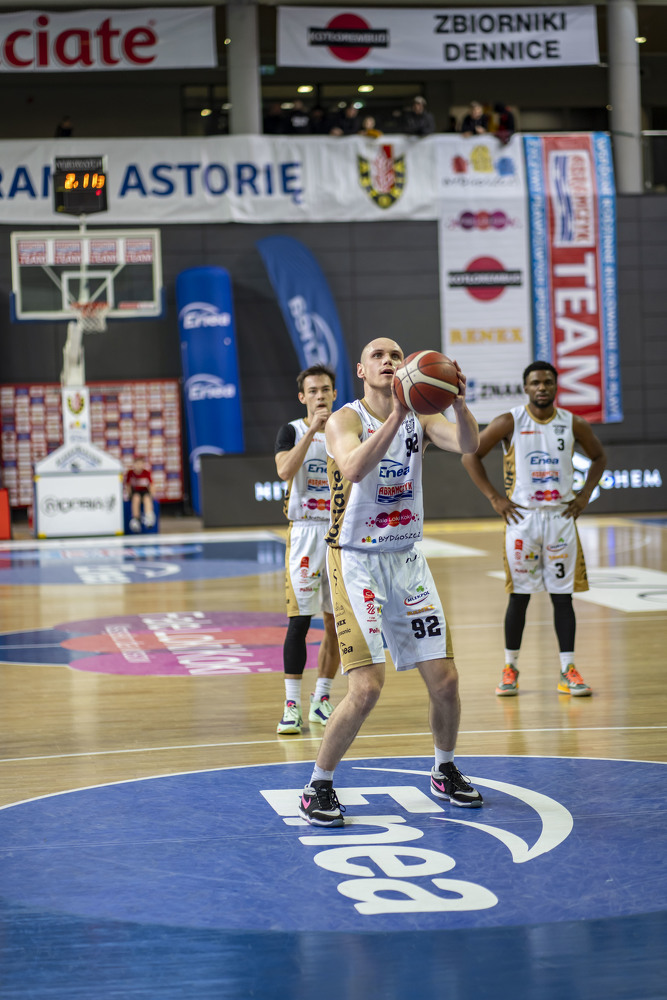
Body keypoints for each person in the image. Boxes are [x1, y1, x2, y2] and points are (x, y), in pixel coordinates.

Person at [297, 338, 483, 826]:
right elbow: (354, 468)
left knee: (446, 681)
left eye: (395, 356)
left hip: (406, 560)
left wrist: (459, 405)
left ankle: (443, 769)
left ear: (406, 368)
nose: (388, 361)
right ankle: (317, 785)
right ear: (361, 370)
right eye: (377, 356)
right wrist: (398, 417)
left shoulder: (422, 417)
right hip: (356, 561)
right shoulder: (345, 419)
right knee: (366, 688)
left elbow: (469, 445)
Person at [461, 361, 607, 698]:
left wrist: (584, 496)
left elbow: (599, 457)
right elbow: (470, 456)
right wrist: (495, 498)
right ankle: (510, 668)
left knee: (563, 597)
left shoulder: (573, 423)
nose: (542, 387)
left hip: (560, 519)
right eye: (536, 382)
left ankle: (567, 669)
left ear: (556, 386)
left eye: (548, 382)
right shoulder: (510, 421)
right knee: (519, 597)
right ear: (526, 387)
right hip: (522, 520)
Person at [275, 365, 341, 735]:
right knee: (299, 621)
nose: (319, 396)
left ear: (334, 393)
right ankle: (291, 706)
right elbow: (284, 471)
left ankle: (321, 698)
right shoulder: (292, 431)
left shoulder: (346, 429)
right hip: (304, 532)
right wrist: (313, 430)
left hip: (339, 533)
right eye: (313, 390)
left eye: (325, 389)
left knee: (336, 621)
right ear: (302, 397)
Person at [125, 455, 155, 532]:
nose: (139, 466)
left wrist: (152, 494)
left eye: (141, 464)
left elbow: (151, 485)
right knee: (136, 498)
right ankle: (136, 519)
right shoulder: (130, 473)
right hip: (135, 492)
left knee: (147, 498)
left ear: (143, 464)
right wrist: (129, 494)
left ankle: (149, 517)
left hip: (144, 491)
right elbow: (128, 485)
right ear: (134, 464)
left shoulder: (146, 473)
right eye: (137, 464)